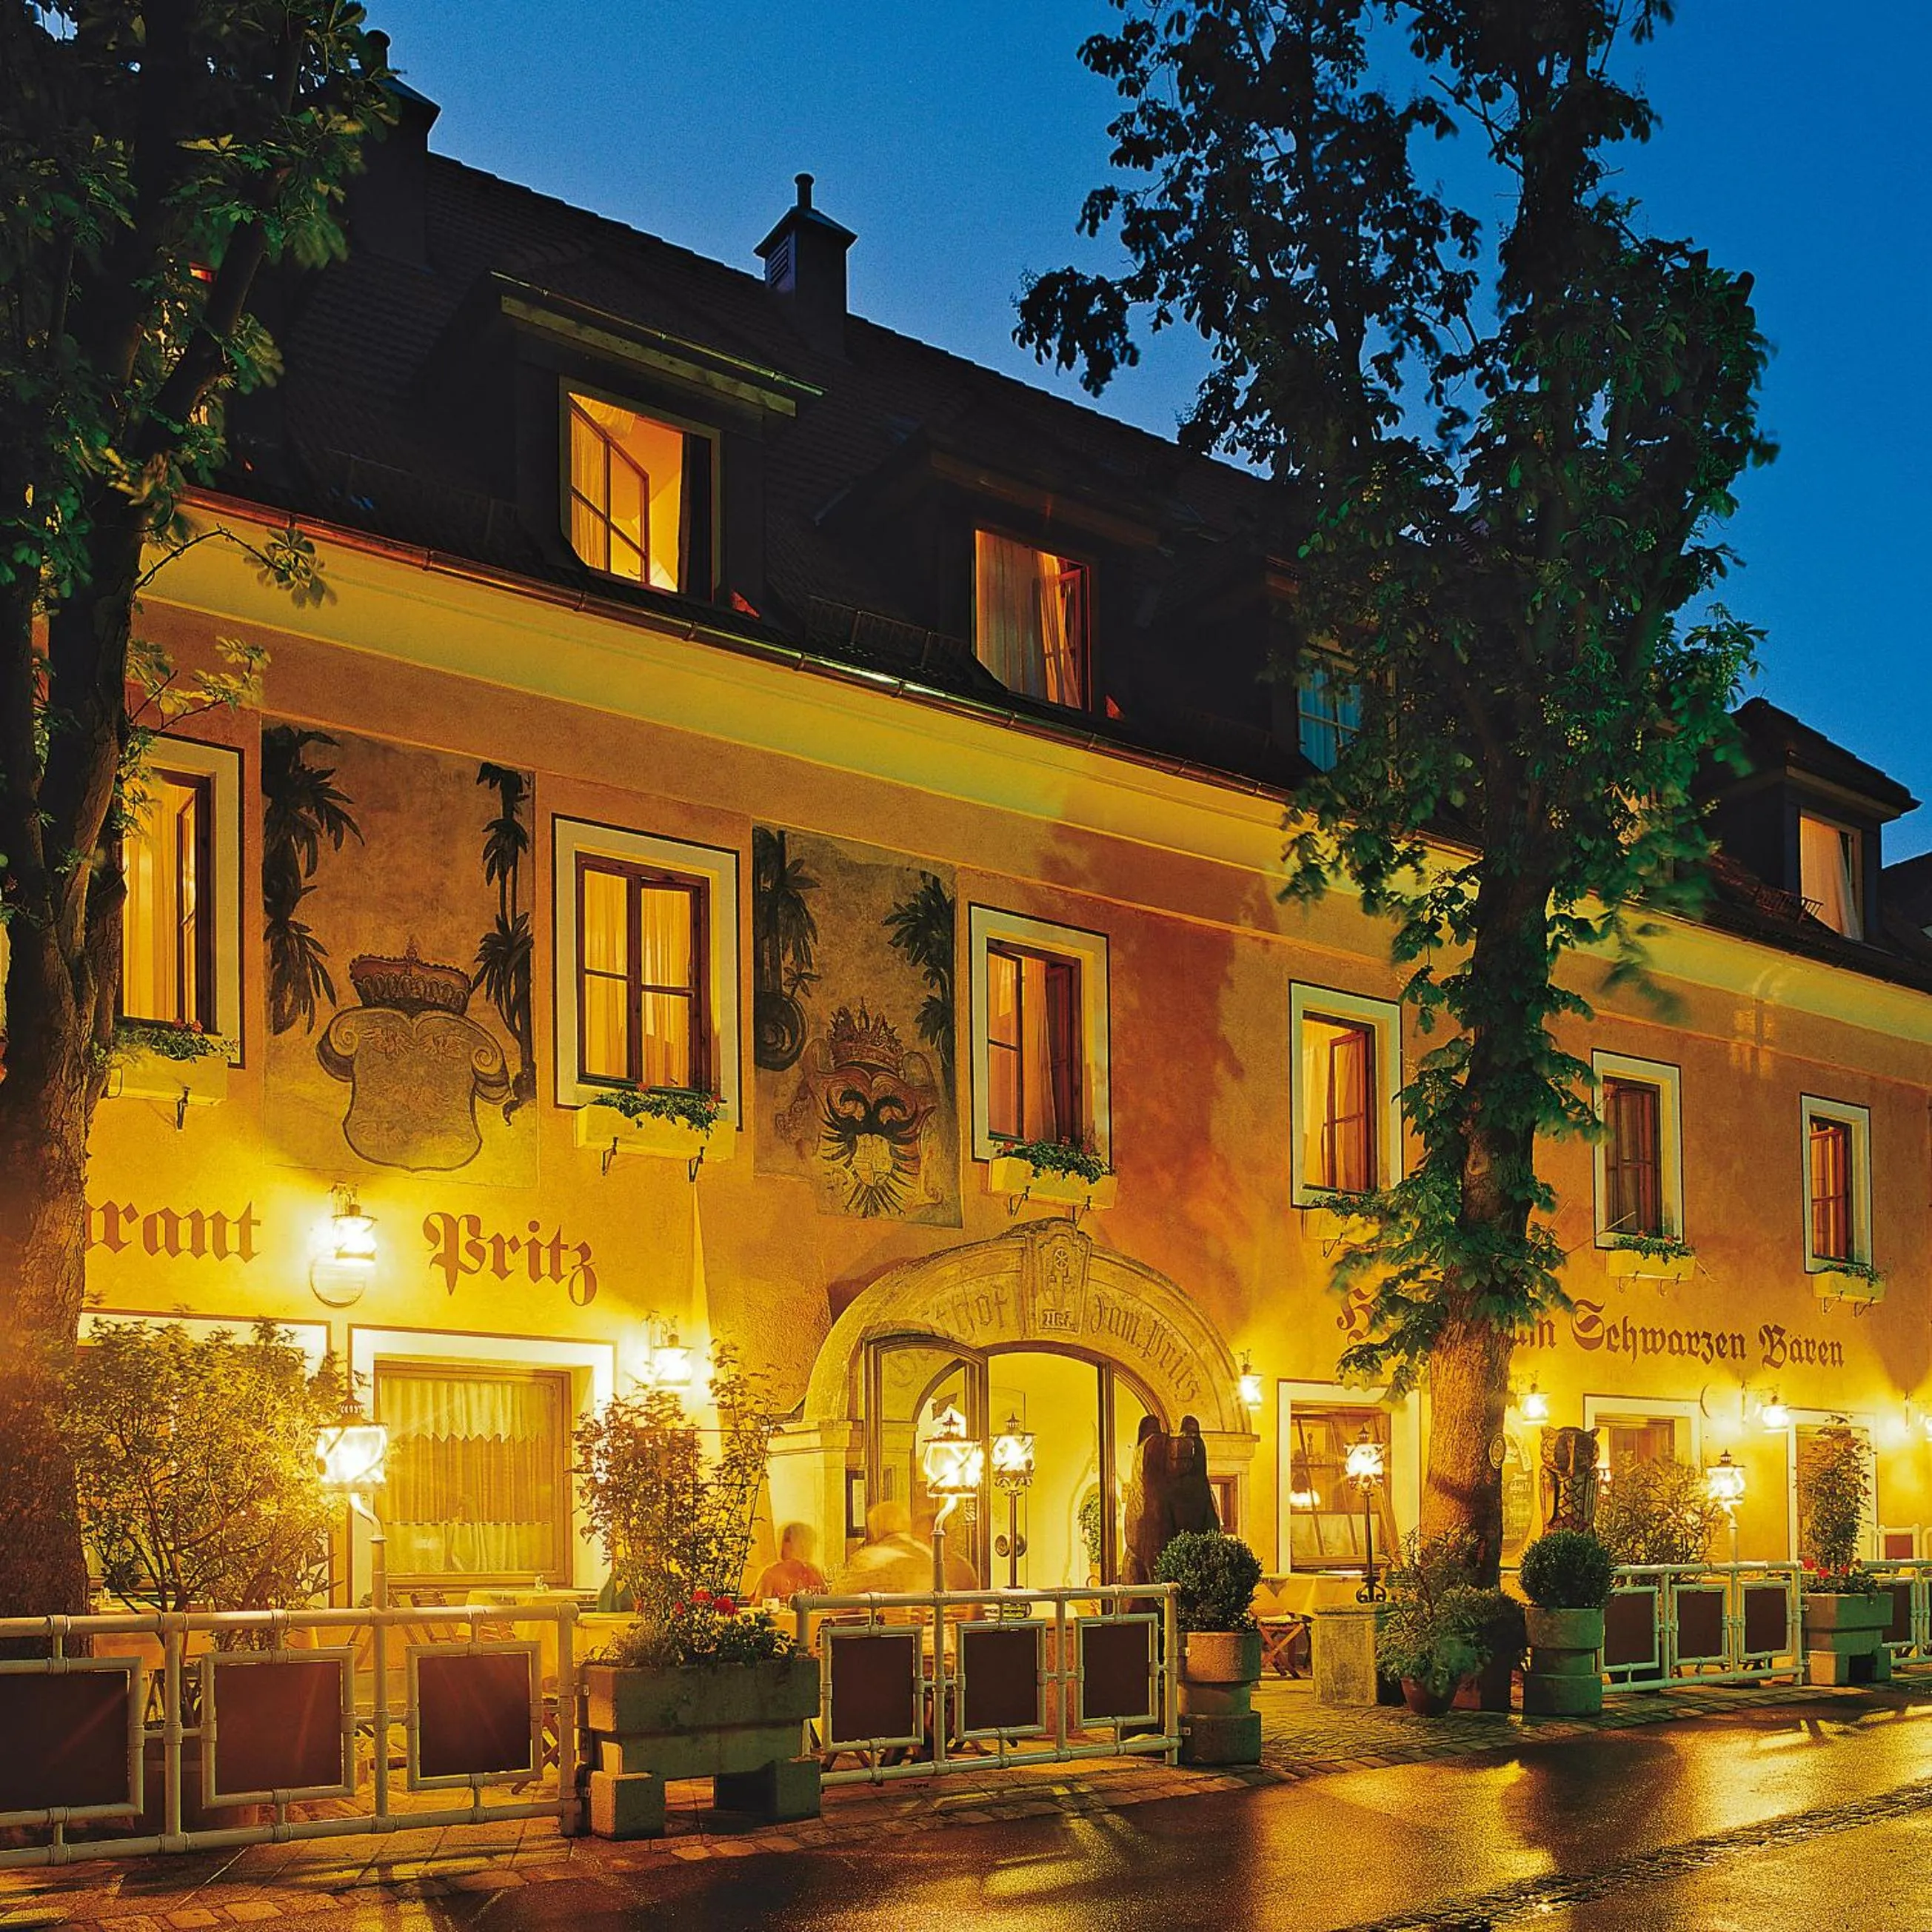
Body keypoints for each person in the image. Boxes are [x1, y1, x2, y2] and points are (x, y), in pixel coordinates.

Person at [752, 1521, 828, 1602]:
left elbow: (826, 1598)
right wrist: (783, 1600)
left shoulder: (812, 1571)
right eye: (786, 1541)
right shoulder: (771, 1573)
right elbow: (759, 1605)